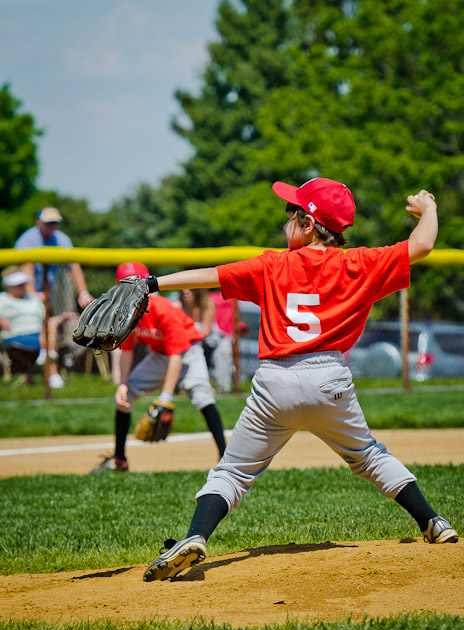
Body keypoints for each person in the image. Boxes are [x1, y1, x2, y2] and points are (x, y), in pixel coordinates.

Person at [140, 177, 458, 582]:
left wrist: (152, 284)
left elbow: (210, 276)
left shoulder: (271, 264)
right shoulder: (359, 263)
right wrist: (427, 207)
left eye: (291, 213)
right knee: (369, 457)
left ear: (309, 224)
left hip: (275, 382)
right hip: (329, 378)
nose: (285, 221)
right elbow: (423, 245)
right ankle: (434, 522)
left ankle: (197, 536)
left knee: (232, 473)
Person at [91, 262, 227, 473]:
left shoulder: (163, 309)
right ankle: (119, 459)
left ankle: (225, 456)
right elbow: (126, 350)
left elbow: (177, 355)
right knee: (124, 399)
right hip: (159, 355)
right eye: (125, 284)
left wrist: (166, 397)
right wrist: (123, 384)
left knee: (202, 397)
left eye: (136, 283)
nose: (131, 289)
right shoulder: (123, 314)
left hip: (188, 352)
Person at [0, 265, 75, 388]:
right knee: (45, 336)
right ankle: (52, 368)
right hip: (15, 336)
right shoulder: (2, 299)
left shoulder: (33, 299)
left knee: (50, 325)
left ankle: (46, 355)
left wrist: (62, 317)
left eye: (23, 283)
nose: (22, 286)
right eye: (18, 284)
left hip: (39, 335)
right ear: (9, 285)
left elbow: (46, 319)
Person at [14, 207, 94, 311]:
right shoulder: (27, 240)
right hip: (23, 294)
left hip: (52, 292)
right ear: (38, 221)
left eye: (54, 222)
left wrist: (83, 293)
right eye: (48, 222)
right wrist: (33, 297)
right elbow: (25, 269)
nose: (51, 226)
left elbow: (74, 267)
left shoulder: (62, 239)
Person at [179, 288, 234, 392]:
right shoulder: (180, 306)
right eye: (183, 288)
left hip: (212, 342)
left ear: (198, 291)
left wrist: (184, 333)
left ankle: (222, 388)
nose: (185, 291)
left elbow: (205, 332)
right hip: (192, 342)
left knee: (223, 350)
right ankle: (186, 386)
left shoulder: (206, 305)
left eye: (190, 289)